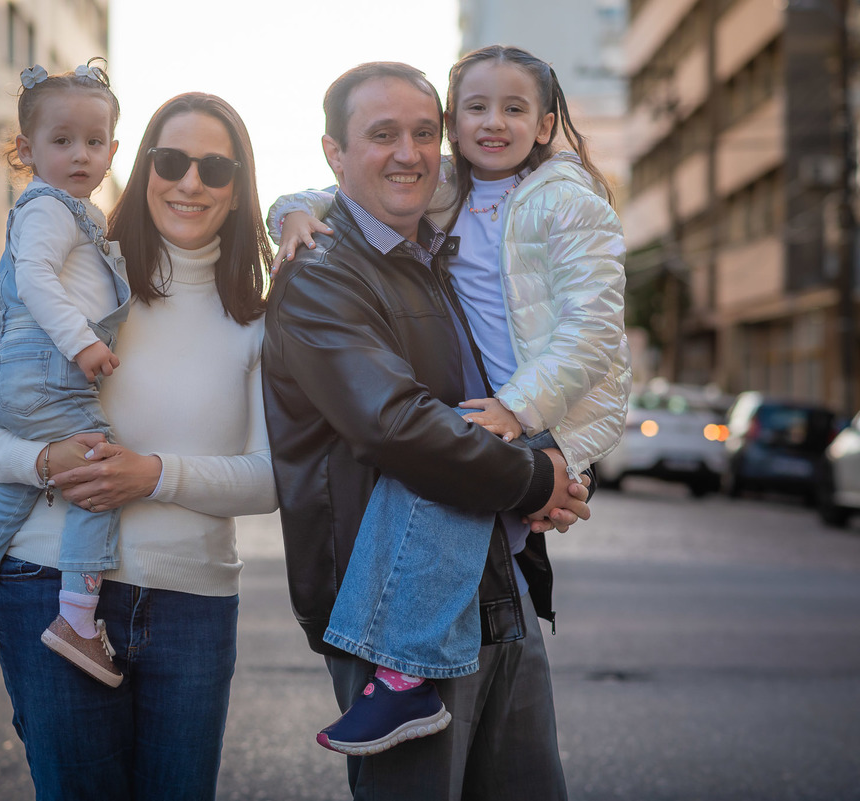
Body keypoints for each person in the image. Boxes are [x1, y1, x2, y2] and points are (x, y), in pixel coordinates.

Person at [267, 45, 629, 759]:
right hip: (391, 599)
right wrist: (538, 478)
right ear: (337, 151)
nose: (409, 154)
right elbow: (399, 430)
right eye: (382, 134)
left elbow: (589, 327)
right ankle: (401, 681)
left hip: (502, 564)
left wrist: (541, 455)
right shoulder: (329, 271)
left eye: (421, 133)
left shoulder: (460, 232)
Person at [0, 92, 276, 801]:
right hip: (44, 581)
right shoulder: (81, 275)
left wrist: (151, 475)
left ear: (240, 187)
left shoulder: (259, 317)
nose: (190, 181)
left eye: (214, 168)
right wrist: (41, 462)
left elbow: (271, 478)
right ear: (142, 165)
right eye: (171, 159)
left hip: (194, 604)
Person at [0, 60, 133, 689]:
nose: (80, 156)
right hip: (46, 371)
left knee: (10, 491)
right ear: (26, 148)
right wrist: (84, 343)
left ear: (114, 149)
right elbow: (35, 278)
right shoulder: (47, 209)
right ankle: (76, 617)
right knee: (99, 466)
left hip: (19, 380)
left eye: (94, 143)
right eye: (61, 142)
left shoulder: (76, 211)